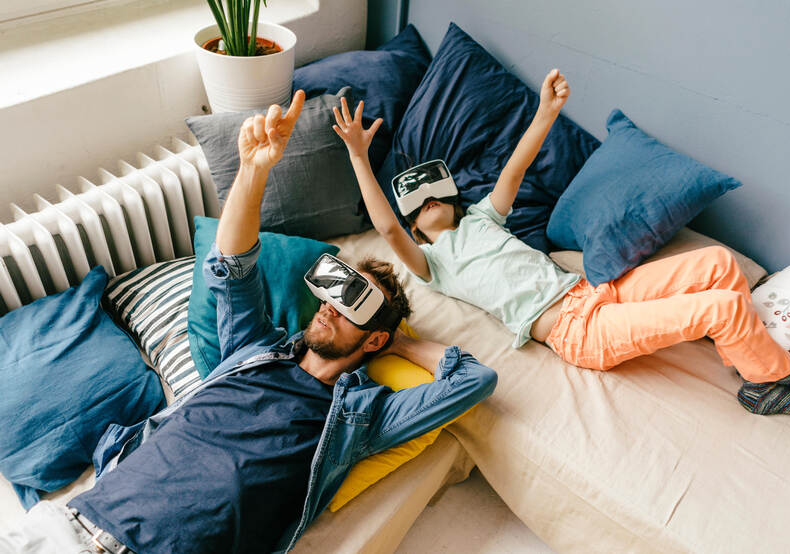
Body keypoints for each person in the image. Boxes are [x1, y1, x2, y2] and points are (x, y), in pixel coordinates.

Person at [0, 90, 497, 554]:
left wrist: (398, 346)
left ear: (375, 336)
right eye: (331, 289)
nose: (328, 305)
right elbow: (232, 265)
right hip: (64, 527)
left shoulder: (361, 420)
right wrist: (253, 170)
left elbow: (474, 380)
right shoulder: (253, 347)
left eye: (353, 303)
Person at [332, 68, 790, 419]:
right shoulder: (432, 263)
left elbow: (515, 169)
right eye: (416, 209)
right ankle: (770, 382)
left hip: (595, 292)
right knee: (722, 307)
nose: (427, 206)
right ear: (415, 230)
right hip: (577, 332)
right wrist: (359, 154)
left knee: (721, 264)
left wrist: (547, 111)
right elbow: (388, 229)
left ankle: (746, 358)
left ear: (456, 198)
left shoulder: (483, 218)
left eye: (435, 195)